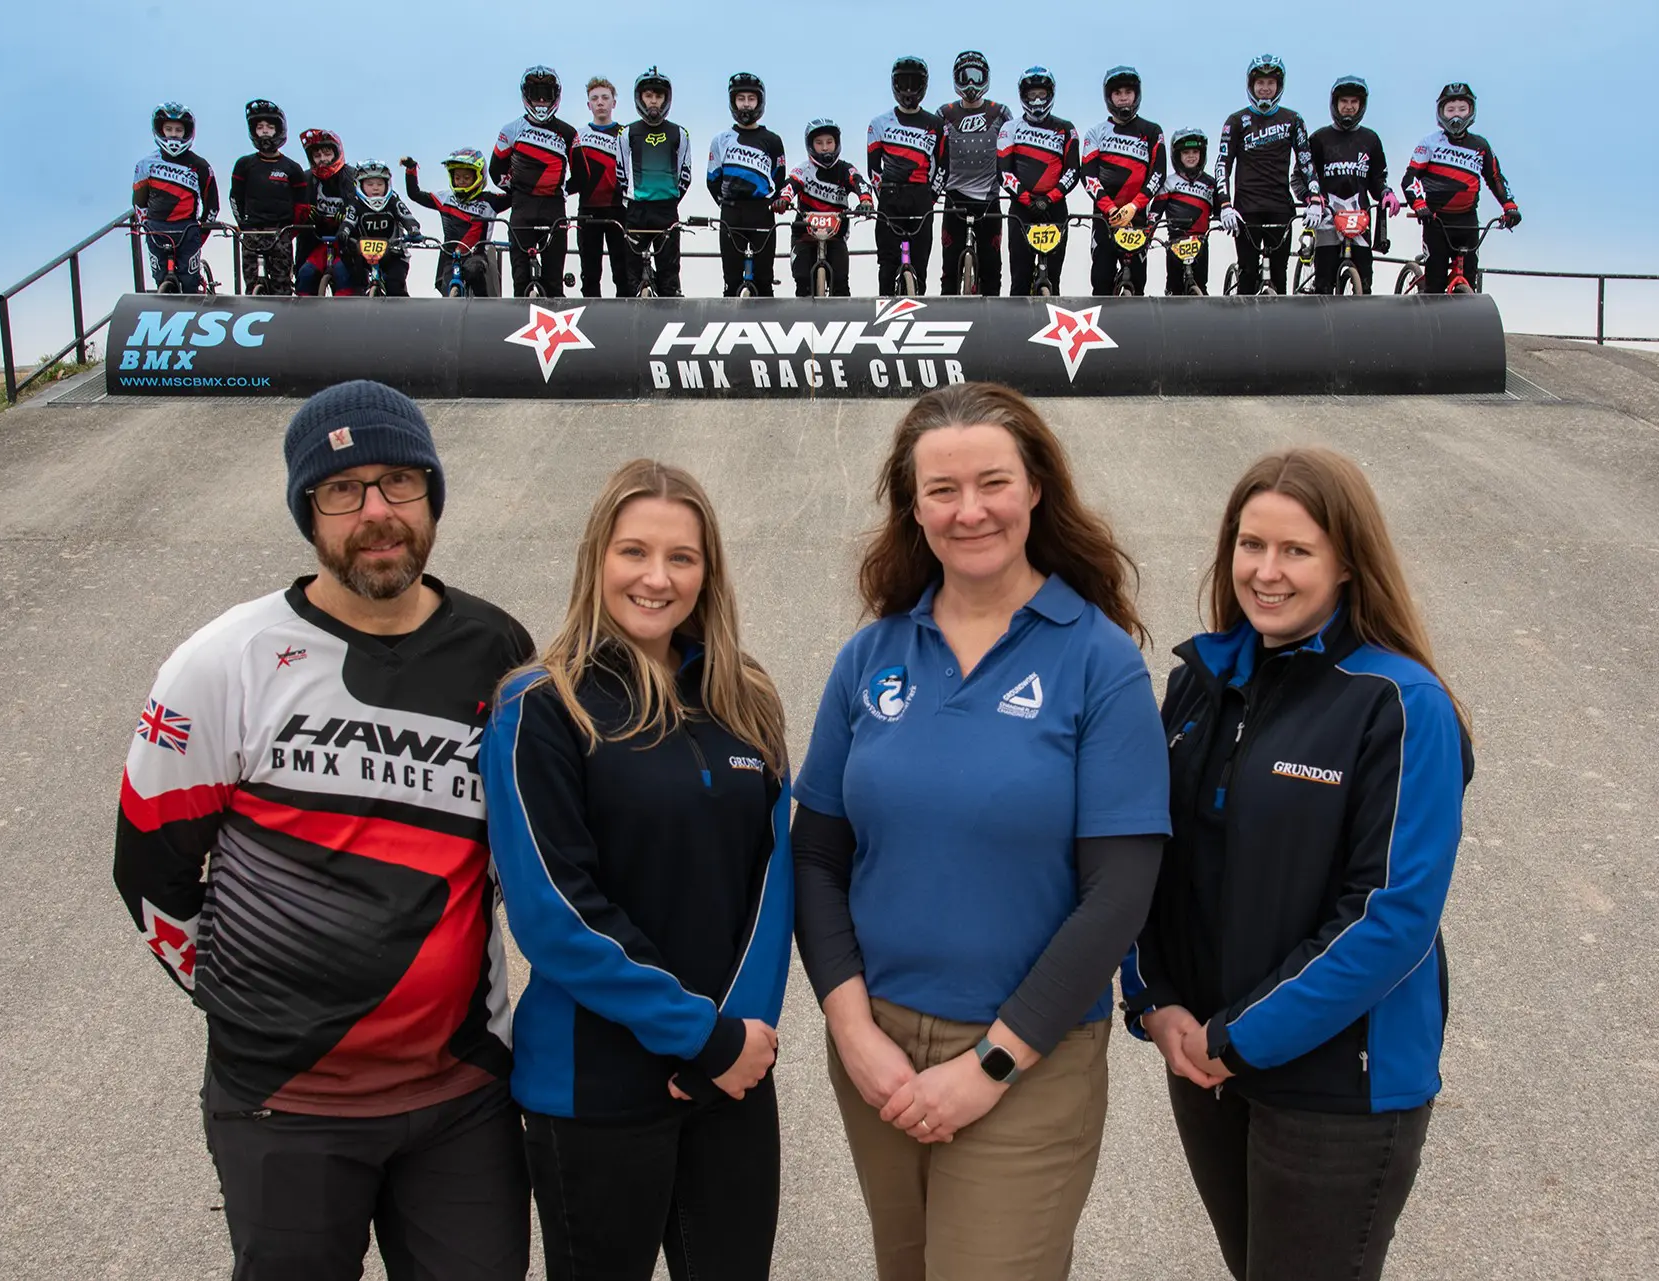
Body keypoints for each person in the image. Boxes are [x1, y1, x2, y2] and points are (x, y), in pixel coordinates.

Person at [114, 379, 536, 1279]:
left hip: (463, 1096)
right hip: (284, 1104)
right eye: (343, 490)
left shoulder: (499, 650)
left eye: (398, 482)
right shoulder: (222, 660)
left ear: (433, 496)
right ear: (308, 509)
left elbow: (522, 857)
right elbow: (148, 872)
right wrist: (248, 1006)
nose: (376, 512)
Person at [793, 382, 1170, 1281]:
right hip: (878, 1048)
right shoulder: (872, 654)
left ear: (1037, 487)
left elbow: (1120, 893)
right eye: (941, 490)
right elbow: (816, 854)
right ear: (912, 505)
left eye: (993, 482)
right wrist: (851, 1030)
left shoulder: (1098, 659)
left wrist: (991, 1062)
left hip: (1027, 1062)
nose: (970, 512)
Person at [1121, 446, 1474, 1281]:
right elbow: (1150, 861)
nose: (1266, 571)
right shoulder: (1199, 686)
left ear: (1348, 562)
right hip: (1206, 1063)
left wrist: (1240, 1036)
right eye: (1251, 545)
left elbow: (1391, 916)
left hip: (1336, 1089)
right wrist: (1156, 999)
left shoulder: (1400, 702)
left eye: (1296, 550)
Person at [485, 459, 793, 1280]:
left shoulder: (745, 699)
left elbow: (774, 883)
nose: (657, 578)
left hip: (732, 1072)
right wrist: (695, 1034)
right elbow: (554, 912)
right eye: (634, 551)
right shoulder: (542, 704)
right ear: (597, 559)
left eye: (682, 557)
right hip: (593, 1089)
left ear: (708, 571)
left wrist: (736, 1038)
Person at [1403, 83, 1522, 294]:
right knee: (1436, 284)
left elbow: (1495, 178)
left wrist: (1509, 206)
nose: (1456, 115)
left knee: (1470, 279)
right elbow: (1410, 179)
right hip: (1436, 220)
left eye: (1461, 109)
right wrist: (1419, 205)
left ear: (1471, 111)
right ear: (1441, 113)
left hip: (1467, 221)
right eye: (1450, 110)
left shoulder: (1481, 146)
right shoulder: (1429, 143)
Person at [1216, 55, 1320, 295]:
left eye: (1270, 83)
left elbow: (1306, 161)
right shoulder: (1235, 121)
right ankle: (1242, 329)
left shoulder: (1293, 120)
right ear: (1251, 86)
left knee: (1279, 274)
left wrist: (1315, 199)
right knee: (1248, 273)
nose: (1265, 89)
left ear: (1279, 86)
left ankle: (1280, 330)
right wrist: (1224, 205)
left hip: (1280, 208)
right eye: (1260, 83)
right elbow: (1222, 164)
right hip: (1245, 210)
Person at [493, 66, 581, 298]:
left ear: (556, 96)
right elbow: (495, 172)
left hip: (554, 209)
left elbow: (582, 177)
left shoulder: (569, 133)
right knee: (520, 282)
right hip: (522, 208)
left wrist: (560, 191)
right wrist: (519, 192)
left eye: (546, 94)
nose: (541, 100)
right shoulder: (511, 130)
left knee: (554, 285)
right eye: (535, 93)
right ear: (526, 96)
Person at [1306, 75, 1398, 293]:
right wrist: (1311, 199)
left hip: (1360, 219)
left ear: (1361, 106)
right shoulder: (1319, 139)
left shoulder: (1371, 139)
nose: (1348, 107)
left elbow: (1377, 179)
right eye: (1344, 102)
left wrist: (1386, 193)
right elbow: (1301, 177)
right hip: (1327, 217)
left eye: (1354, 102)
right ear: (1335, 104)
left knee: (1364, 285)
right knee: (1324, 285)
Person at [867, 56, 949, 295]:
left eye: (915, 83)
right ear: (895, 85)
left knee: (920, 266)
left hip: (921, 197)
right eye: (904, 83)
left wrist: (930, 197)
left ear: (924, 86)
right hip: (890, 197)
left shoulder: (936, 124)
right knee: (887, 264)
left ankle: (917, 313)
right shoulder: (879, 123)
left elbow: (943, 167)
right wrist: (883, 194)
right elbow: (873, 169)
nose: (909, 89)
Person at [1082, 66, 1165, 296]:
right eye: (1117, 93)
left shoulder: (1152, 130)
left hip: (1137, 216)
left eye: (1128, 92)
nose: (1123, 97)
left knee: (1138, 282)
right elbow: (1088, 175)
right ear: (1109, 97)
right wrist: (1110, 209)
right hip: (1105, 218)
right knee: (1101, 282)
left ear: (1136, 95)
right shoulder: (1096, 132)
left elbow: (1158, 174)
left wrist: (1133, 206)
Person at [998, 68, 1080, 295]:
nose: (1036, 100)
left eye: (1041, 94)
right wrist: (1027, 199)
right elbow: (1004, 171)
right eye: (1032, 94)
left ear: (1050, 95)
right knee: (1020, 281)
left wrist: (1049, 199)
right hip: (1021, 209)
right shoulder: (1010, 128)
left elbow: (1073, 171)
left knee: (1053, 279)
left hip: (1055, 208)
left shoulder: (1066, 129)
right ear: (1023, 96)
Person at [706, 73, 788, 297]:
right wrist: (727, 203)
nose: (746, 104)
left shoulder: (772, 140)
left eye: (751, 99)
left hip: (762, 211)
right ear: (733, 102)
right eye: (740, 98)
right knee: (731, 281)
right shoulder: (721, 140)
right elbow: (712, 179)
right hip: (731, 211)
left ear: (760, 102)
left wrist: (774, 202)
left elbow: (779, 178)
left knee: (764, 281)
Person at [938, 51, 1010, 296]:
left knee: (993, 270)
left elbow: (1011, 150)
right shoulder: (944, 113)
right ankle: (947, 322)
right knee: (949, 270)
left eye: (976, 77)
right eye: (965, 77)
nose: (971, 84)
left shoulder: (1001, 112)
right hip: (954, 197)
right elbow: (933, 154)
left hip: (990, 198)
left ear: (986, 79)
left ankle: (991, 325)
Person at [618, 66, 692, 297]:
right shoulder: (626, 133)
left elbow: (685, 173)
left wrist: (669, 198)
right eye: (648, 96)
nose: (653, 102)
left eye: (658, 97)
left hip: (666, 210)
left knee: (670, 278)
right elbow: (621, 172)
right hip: (636, 211)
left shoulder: (680, 133)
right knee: (632, 278)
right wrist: (633, 198)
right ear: (640, 98)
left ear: (665, 99)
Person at [132, 102, 219, 293]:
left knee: (189, 282)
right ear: (159, 130)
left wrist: (201, 232)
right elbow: (139, 201)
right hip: (156, 227)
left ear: (187, 132)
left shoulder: (201, 166)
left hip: (187, 228)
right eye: (168, 129)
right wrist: (145, 225)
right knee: (160, 277)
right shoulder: (146, 164)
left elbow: (212, 206)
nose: (173, 134)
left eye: (178, 130)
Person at [403, 149, 510, 297]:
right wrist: (411, 170)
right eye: (458, 177)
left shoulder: (491, 201)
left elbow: (515, 196)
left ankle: (483, 308)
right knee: (445, 286)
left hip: (476, 255)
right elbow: (415, 194)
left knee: (475, 271)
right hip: (449, 255)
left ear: (479, 177)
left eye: (466, 177)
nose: (461, 181)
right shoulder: (445, 198)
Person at [787, 119, 875, 297]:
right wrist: (782, 199)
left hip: (836, 236)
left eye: (829, 142)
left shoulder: (845, 168)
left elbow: (861, 183)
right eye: (819, 143)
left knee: (840, 284)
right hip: (804, 235)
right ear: (810, 146)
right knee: (803, 282)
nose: (825, 148)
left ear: (837, 143)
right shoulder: (803, 169)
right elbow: (789, 185)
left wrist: (865, 201)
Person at [229, 100, 309, 296]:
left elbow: (303, 204)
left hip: (280, 233)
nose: (265, 132)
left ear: (279, 130)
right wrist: (243, 224)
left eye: (270, 127)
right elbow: (235, 197)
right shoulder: (244, 164)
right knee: (252, 285)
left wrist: (291, 231)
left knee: (281, 286)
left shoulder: (292, 168)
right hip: (251, 233)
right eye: (260, 127)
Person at [573, 77, 629, 297]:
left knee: (622, 270)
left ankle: (626, 321)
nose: (600, 103)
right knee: (589, 272)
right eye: (594, 99)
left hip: (619, 209)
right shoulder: (578, 135)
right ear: (588, 105)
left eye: (605, 98)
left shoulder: (626, 134)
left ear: (614, 103)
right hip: (588, 210)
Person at [335, 159, 421, 297]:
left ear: (387, 184)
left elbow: (407, 217)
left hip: (394, 253)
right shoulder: (355, 205)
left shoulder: (393, 201)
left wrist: (413, 229)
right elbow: (348, 221)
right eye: (370, 184)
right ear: (360, 185)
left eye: (380, 184)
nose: (375, 188)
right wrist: (343, 232)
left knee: (395, 286)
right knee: (355, 283)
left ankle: (402, 315)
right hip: (364, 253)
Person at [1150, 125, 1217, 296]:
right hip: (1175, 242)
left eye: (1195, 151)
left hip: (1201, 242)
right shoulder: (1168, 182)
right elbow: (1155, 212)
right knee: (1175, 289)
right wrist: (1148, 233)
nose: (1191, 156)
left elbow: (1219, 210)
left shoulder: (1211, 183)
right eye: (1186, 153)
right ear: (1177, 156)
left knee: (1201, 285)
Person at [296, 128, 355, 296]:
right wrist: (306, 215)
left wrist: (348, 214)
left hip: (346, 242)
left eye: (327, 154)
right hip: (317, 241)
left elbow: (363, 207)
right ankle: (303, 316)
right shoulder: (306, 179)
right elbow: (295, 208)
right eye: (317, 156)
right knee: (305, 273)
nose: (322, 160)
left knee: (343, 273)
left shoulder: (352, 176)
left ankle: (347, 313)